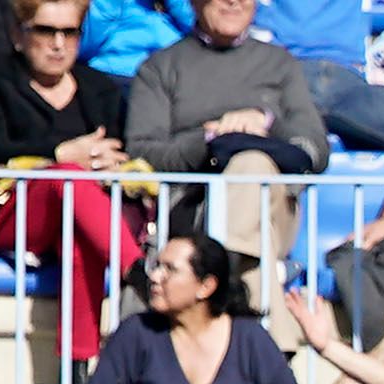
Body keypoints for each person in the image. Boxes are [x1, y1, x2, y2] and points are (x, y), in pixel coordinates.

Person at [0, 0, 140, 367]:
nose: (58, 43)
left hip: (81, 213)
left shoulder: (98, 88)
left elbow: (117, 151)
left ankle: (77, 365)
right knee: (69, 178)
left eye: (69, 32)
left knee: (79, 230)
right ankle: (136, 270)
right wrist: (59, 154)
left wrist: (98, 162)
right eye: (45, 31)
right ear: (17, 35)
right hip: (12, 213)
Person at [124, 0, 321, 313]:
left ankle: (221, 273)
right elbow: (142, 152)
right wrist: (210, 139)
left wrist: (266, 123)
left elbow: (314, 149)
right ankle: (266, 336)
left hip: (271, 208)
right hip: (193, 209)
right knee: (256, 245)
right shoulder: (161, 67)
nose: (234, 2)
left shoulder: (280, 64)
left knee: (252, 162)